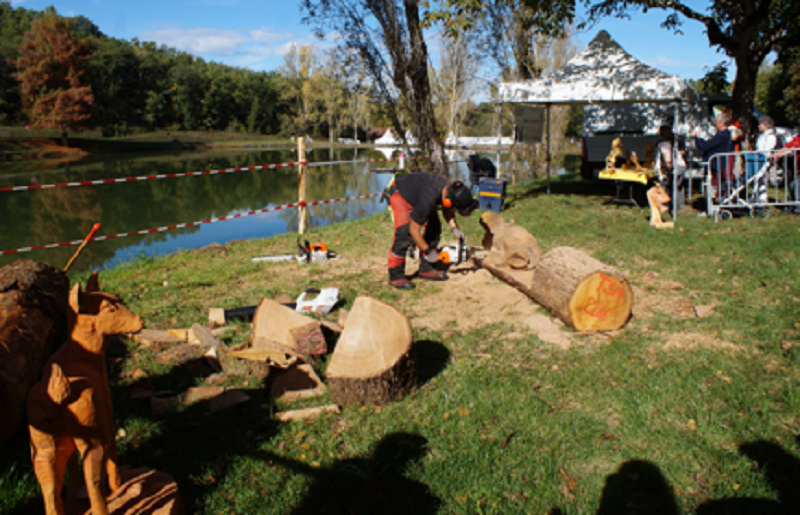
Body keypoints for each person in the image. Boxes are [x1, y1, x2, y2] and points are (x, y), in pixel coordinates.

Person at [387, 172, 478, 289]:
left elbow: (448, 208)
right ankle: (395, 276)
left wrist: (454, 228)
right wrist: (428, 252)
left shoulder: (449, 189)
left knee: (434, 227)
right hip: (400, 194)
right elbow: (414, 230)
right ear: (448, 200)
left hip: (419, 195)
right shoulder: (429, 198)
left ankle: (425, 269)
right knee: (404, 233)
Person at [693, 112, 735, 213]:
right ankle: (714, 207)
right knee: (714, 187)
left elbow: (706, 146)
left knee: (713, 187)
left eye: (716, 122)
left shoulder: (723, 135)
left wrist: (696, 138)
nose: (715, 124)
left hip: (717, 165)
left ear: (722, 123)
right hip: (717, 164)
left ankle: (713, 208)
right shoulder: (723, 135)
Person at [653, 125, 687, 212]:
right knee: (670, 185)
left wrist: (674, 155)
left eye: (663, 133)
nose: (661, 135)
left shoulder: (676, 140)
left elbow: (682, 151)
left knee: (675, 186)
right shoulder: (661, 142)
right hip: (669, 166)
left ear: (668, 131)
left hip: (677, 165)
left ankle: (675, 207)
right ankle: (670, 204)